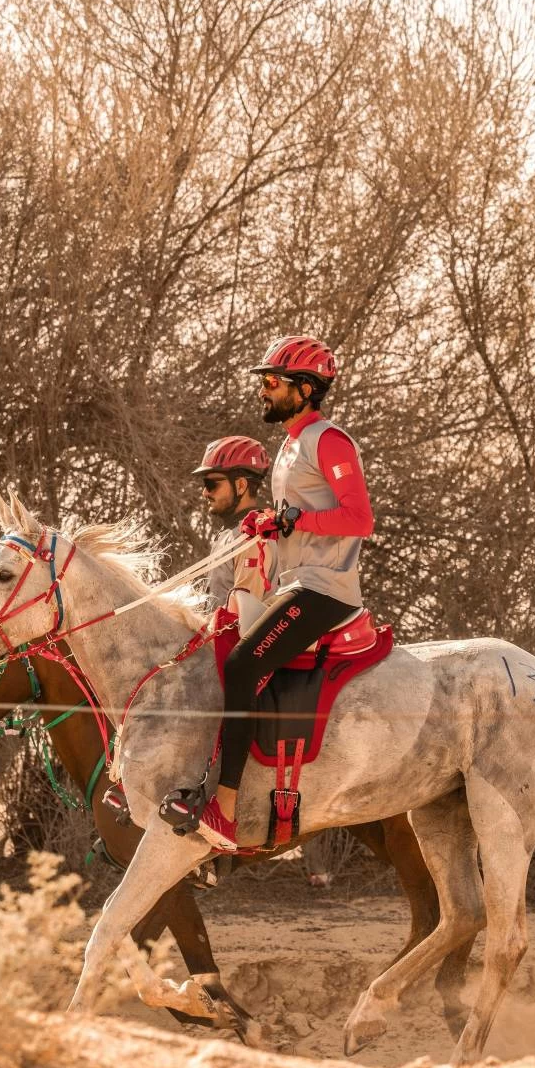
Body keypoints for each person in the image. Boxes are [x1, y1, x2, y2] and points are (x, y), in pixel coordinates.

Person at [196, 336, 374, 851]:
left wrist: (294, 518)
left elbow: (359, 518)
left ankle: (226, 808)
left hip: (326, 590)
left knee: (244, 665)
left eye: (271, 382)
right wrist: (271, 523)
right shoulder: (290, 447)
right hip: (295, 584)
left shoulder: (329, 441)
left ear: (305, 388)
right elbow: (301, 525)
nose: (263, 391)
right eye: (262, 381)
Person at [190, 435, 276, 632]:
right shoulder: (228, 534)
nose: (205, 492)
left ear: (240, 486)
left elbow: (245, 624)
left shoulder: (253, 538)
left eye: (211, 484)